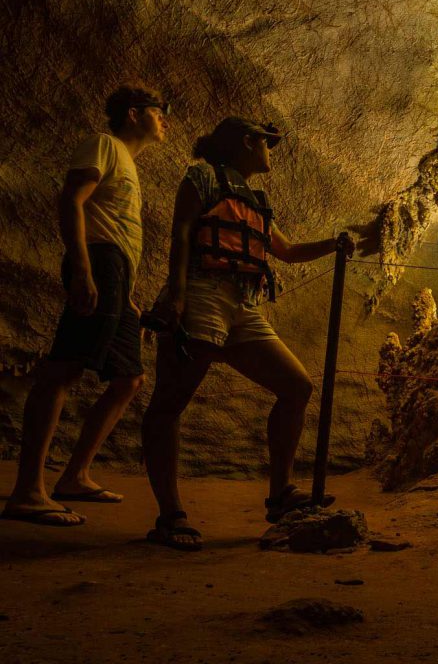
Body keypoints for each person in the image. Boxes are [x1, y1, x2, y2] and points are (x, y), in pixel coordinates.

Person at [141, 116, 353, 551]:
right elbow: (181, 234)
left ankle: (279, 496)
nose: (270, 152)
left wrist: (333, 244)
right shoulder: (202, 176)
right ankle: (171, 514)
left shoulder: (255, 199)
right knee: (169, 403)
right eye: (266, 144)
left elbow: (287, 251)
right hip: (202, 291)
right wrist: (176, 296)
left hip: (244, 305)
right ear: (246, 142)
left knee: (296, 386)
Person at [2, 85, 169, 526]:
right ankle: (27, 492)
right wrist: (82, 271)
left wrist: (128, 295)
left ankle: (74, 476)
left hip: (117, 275)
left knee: (129, 379)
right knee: (63, 369)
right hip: (99, 262)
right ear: (134, 114)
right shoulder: (105, 145)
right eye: (159, 110)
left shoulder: (127, 162)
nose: (165, 118)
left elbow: (111, 222)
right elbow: (71, 201)